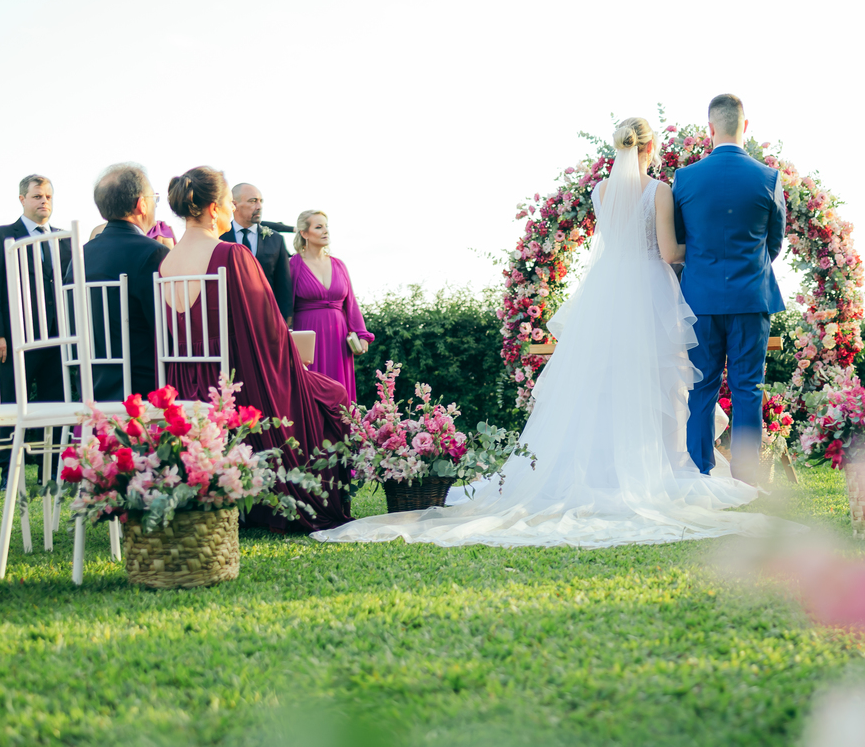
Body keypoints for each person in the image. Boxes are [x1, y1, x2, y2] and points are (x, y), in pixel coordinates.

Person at [311, 118, 794, 548]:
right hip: (650, 289)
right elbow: (669, 252)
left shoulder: (600, 193)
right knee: (657, 383)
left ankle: (601, 467)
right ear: (649, 150)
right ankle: (670, 468)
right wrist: (703, 255)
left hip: (606, 291)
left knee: (600, 382)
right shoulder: (660, 190)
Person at [159, 166, 353, 532]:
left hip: (187, 383)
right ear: (216, 207)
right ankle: (303, 496)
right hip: (235, 383)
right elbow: (269, 331)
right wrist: (299, 361)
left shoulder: (164, 261)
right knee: (334, 393)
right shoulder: (231, 254)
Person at [673, 93, 786, 483]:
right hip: (751, 297)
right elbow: (774, 243)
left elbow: (680, 240)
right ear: (745, 126)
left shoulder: (685, 178)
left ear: (710, 128)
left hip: (700, 299)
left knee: (700, 387)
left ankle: (699, 473)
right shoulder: (768, 178)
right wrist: (749, 267)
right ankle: (747, 478)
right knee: (747, 388)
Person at [0, 175, 71, 488]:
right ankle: (9, 473)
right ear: (21, 199)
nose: (44, 201)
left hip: (58, 339)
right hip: (16, 340)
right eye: (36, 196)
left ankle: (53, 472)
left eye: (48, 196)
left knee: (57, 405)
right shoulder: (0, 235)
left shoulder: (64, 238)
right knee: (10, 404)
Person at [73, 163, 171, 401]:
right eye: (154, 199)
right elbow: (164, 328)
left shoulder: (79, 256)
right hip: (141, 384)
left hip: (89, 382)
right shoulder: (153, 253)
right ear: (141, 204)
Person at [289, 210, 373, 401]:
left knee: (340, 394)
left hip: (339, 338)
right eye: (319, 227)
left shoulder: (339, 265)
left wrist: (362, 334)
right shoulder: (292, 265)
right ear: (304, 233)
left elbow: (350, 303)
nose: (326, 231)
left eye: (326, 226)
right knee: (311, 392)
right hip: (308, 336)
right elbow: (285, 307)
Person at [219, 183, 293, 323]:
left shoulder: (276, 240)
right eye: (253, 201)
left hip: (267, 318)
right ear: (234, 205)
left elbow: (284, 288)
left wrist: (285, 324)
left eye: (261, 201)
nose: (259, 206)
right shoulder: (219, 238)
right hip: (229, 319)